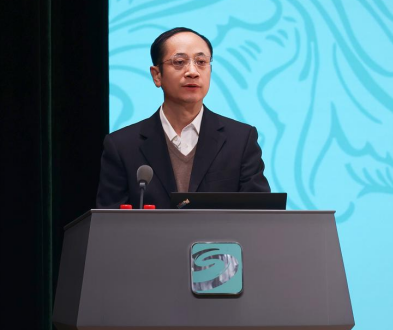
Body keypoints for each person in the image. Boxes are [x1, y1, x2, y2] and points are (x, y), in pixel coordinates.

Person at [96, 27, 270, 209]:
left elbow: (260, 214)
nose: (193, 72)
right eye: (179, 62)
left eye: (201, 62)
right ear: (157, 75)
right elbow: (108, 222)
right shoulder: (122, 146)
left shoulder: (241, 140)